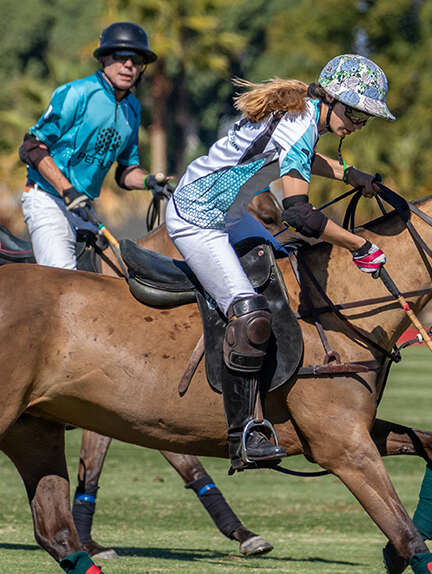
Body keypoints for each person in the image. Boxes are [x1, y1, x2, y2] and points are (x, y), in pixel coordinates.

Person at [166, 54, 395, 471]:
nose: (357, 125)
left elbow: (301, 156)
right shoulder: (298, 120)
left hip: (230, 216)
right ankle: (244, 434)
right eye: (355, 114)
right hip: (197, 218)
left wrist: (349, 174)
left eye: (365, 120)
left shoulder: (304, 116)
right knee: (250, 314)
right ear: (329, 98)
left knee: (285, 273)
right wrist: (358, 245)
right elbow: (299, 215)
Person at [18, 21, 173, 269]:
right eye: (121, 56)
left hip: (83, 210)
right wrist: (67, 190)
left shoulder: (132, 109)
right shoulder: (76, 93)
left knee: (108, 281)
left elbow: (126, 171)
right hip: (47, 199)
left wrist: (150, 181)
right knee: (64, 281)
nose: (129, 65)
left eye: (136, 60)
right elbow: (32, 146)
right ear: (103, 58)